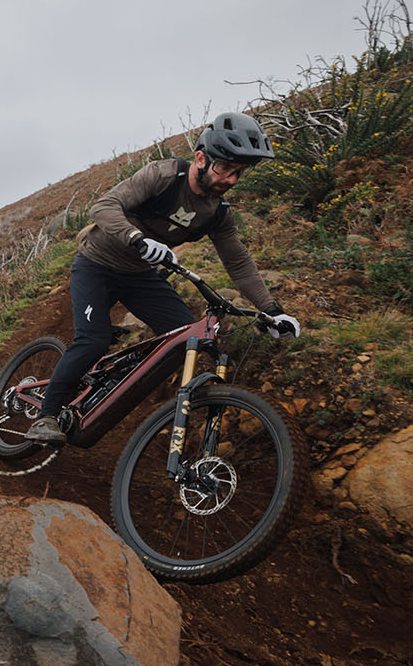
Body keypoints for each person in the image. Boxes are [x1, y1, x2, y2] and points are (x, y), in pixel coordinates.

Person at [24, 110, 301, 445]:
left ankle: (112, 385)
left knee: (185, 337)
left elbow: (239, 263)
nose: (231, 179)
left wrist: (272, 310)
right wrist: (136, 238)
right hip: (97, 264)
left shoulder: (218, 213)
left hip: (139, 275)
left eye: (238, 172)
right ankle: (46, 416)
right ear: (201, 158)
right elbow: (104, 207)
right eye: (225, 168)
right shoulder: (163, 176)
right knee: (92, 340)